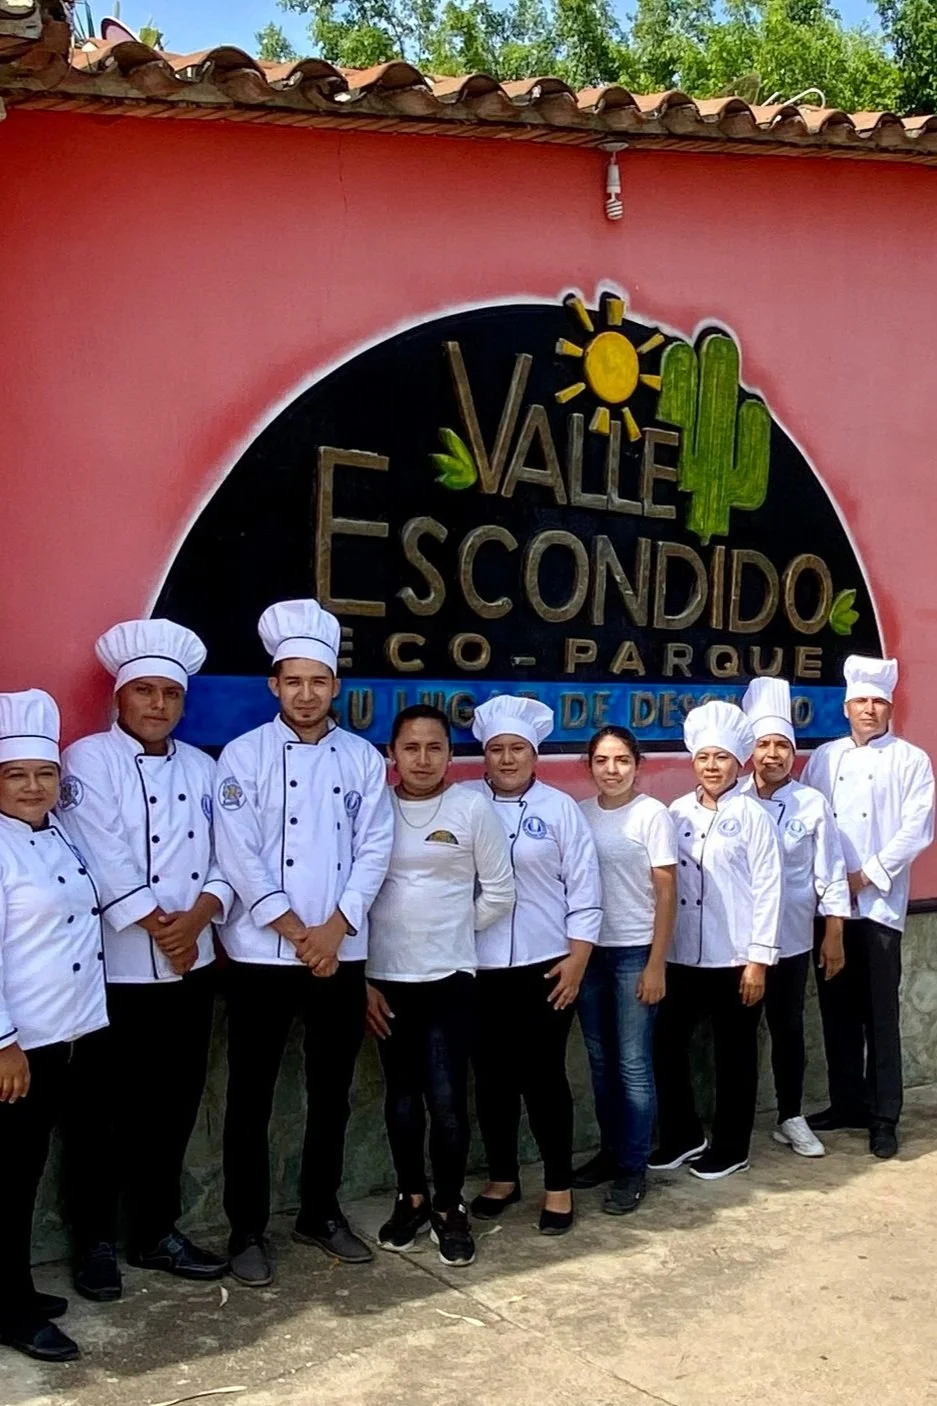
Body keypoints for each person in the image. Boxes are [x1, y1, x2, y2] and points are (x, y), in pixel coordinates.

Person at [213, 599, 394, 1285]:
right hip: (261, 954)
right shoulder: (243, 756)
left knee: (331, 1090)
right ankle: (245, 1228)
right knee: (250, 1097)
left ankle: (319, 1211)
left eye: (318, 681)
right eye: (294, 681)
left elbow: (374, 849)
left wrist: (334, 929)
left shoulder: (362, 759)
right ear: (274, 685)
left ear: (335, 686)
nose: (307, 693)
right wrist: (295, 930)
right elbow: (238, 854)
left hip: (338, 952)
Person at [58, 620, 232, 1300]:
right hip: (115, 971)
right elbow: (101, 853)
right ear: (120, 697)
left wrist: (199, 918)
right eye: (145, 691)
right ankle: (94, 1242)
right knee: (98, 1114)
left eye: (170, 694)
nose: (158, 704)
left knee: (173, 1107)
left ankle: (156, 1230)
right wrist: (166, 929)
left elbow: (230, 855)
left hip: (190, 968)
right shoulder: (87, 760)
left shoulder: (204, 768)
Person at [367, 705, 514, 1267]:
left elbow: (499, 891)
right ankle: (412, 1198)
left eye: (435, 748)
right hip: (385, 980)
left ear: (451, 756)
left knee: (448, 1101)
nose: (422, 759)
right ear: (392, 754)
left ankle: (450, 1207)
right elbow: (353, 892)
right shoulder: (374, 808)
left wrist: (450, 930)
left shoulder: (471, 807)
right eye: (411, 748)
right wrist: (362, 978)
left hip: (450, 978)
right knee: (402, 1098)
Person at [464, 697, 602, 1235]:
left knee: (544, 1077)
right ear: (484, 754)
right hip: (477, 966)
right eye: (496, 749)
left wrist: (578, 959)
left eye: (517, 749)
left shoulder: (560, 808)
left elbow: (585, 889)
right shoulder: (463, 802)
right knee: (491, 1078)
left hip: (548, 966)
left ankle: (558, 1185)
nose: (506, 758)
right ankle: (502, 1177)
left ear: (534, 754)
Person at [0, 690, 108, 1363]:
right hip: (23, 1045)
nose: (33, 787)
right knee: (9, 1179)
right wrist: (2, 1043)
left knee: (30, 1167)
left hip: (70, 1032)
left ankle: (13, 1288)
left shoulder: (59, 831)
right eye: (16, 775)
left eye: (44, 774)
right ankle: (9, 1310)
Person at [802, 655, 935, 1159]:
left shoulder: (911, 760)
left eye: (878, 702)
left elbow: (917, 830)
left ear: (890, 708)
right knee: (836, 1008)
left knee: (880, 1013)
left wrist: (866, 874)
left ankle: (883, 1116)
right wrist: (831, 884)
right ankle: (846, 1103)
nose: (869, 709)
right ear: (846, 707)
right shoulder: (824, 758)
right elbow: (810, 821)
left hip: (879, 906)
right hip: (832, 908)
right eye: (860, 701)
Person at [651, 700, 782, 1180]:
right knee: (666, 1045)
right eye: (704, 757)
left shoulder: (752, 815)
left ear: (738, 762)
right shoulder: (675, 812)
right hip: (683, 954)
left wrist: (758, 961)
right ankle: (682, 1135)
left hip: (735, 958)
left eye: (722, 757)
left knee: (735, 1055)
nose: (712, 766)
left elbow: (769, 888)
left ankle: (732, 1147)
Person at [740, 677, 850, 1158]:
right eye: (763, 744)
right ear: (750, 751)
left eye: (782, 745)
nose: (773, 755)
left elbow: (831, 872)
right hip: (738, 942)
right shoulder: (733, 799)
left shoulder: (811, 803)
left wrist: (834, 933)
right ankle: (735, 1123)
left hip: (792, 940)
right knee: (739, 1034)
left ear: (793, 752)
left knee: (787, 1028)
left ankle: (790, 1115)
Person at [574, 726, 677, 1213]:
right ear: (590, 766)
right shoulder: (580, 814)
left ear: (637, 765)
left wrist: (656, 963)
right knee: (601, 1061)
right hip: (590, 953)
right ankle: (611, 1152)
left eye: (621, 760)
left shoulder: (651, 814)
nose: (611, 770)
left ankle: (633, 1167)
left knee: (633, 1064)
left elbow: (666, 892)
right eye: (601, 761)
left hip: (635, 952)